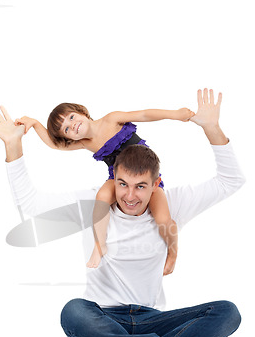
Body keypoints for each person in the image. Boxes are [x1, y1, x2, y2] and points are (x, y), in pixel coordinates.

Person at [0, 88, 245, 337]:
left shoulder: (172, 203)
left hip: (151, 317)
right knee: (73, 312)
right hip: (102, 318)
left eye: (140, 187)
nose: (130, 196)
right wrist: (14, 146)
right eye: (122, 184)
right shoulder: (95, 206)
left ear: (155, 183)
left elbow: (231, 180)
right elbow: (31, 206)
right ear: (112, 177)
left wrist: (211, 127)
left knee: (227, 312)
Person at [13, 104, 195, 274]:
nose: (72, 125)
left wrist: (175, 115)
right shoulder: (85, 143)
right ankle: (100, 244)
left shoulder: (111, 119)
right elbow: (55, 145)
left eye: (71, 117)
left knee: (163, 219)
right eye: (66, 130)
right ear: (69, 138)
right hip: (118, 178)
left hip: (144, 177)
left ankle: (173, 252)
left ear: (82, 111)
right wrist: (35, 124)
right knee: (101, 197)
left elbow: (144, 114)